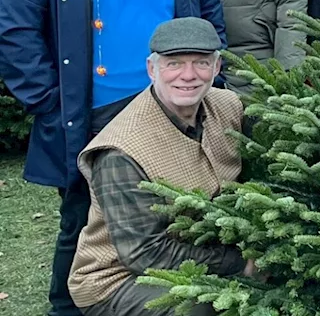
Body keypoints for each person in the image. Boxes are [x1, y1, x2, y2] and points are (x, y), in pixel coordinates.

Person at [0, 0, 225, 316]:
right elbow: (15, 26)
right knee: (81, 221)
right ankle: (68, 306)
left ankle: (157, 294)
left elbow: (210, 19)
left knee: (172, 217)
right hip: (90, 115)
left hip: (169, 109)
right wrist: (47, 101)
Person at [68, 18, 248, 316]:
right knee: (199, 308)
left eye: (201, 63)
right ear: (152, 69)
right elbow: (144, 253)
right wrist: (242, 264)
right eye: (174, 64)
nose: (188, 75)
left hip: (197, 251)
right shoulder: (121, 151)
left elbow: (277, 118)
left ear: (217, 68)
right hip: (119, 277)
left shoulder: (227, 104)